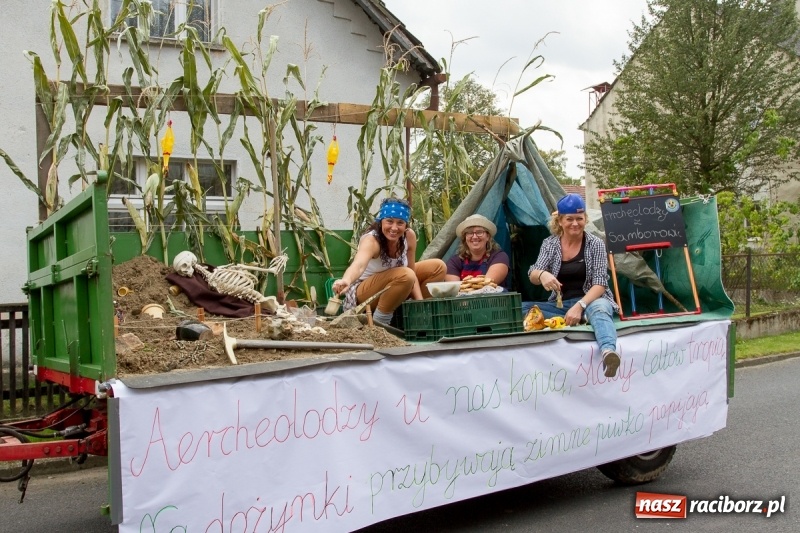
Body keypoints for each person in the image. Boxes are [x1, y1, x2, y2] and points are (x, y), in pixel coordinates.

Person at [527, 193, 621, 378]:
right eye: (569, 219)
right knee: (522, 309)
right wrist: (542, 274)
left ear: (585, 219)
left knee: (601, 309)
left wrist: (580, 306)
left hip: (590, 301)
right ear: (560, 221)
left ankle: (609, 353)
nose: (575, 223)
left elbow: (600, 283)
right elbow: (533, 272)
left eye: (579, 218)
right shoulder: (550, 244)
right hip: (560, 306)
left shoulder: (596, 244)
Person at [331, 197, 446, 325]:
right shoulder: (372, 240)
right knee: (404, 274)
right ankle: (380, 325)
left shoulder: (409, 236)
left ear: (406, 225)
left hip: (398, 282)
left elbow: (412, 272)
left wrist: (420, 304)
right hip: (365, 291)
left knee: (437, 267)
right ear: (381, 222)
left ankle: (417, 318)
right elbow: (359, 265)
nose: (394, 228)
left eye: (400, 223)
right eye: (389, 221)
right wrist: (346, 280)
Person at [444, 214, 510, 287]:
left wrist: (465, 287)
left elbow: (487, 284)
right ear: (465, 238)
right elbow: (454, 288)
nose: (474, 237)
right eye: (469, 233)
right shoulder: (454, 261)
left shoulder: (499, 257)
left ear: (487, 236)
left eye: (479, 232)